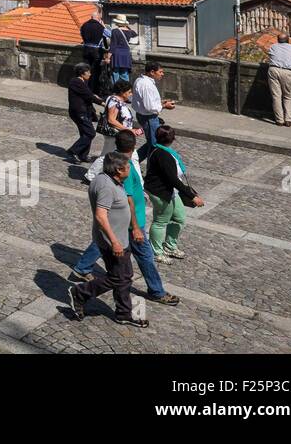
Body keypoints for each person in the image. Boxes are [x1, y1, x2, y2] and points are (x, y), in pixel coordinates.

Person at [69, 130, 180, 306]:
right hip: (132, 225)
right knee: (141, 261)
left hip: (126, 224)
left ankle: (84, 268)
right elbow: (127, 200)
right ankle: (156, 291)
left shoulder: (121, 164)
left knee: (119, 263)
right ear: (134, 146)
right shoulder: (123, 169)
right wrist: (135, 227)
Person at [67, 151, 149, 328]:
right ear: (119, 170)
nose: (130, 170)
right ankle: (80, 292)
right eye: (128, 167)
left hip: (119, 238)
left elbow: (125, 204)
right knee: (119, 277)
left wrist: (134, 227)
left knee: (123, 276)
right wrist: (115, 241)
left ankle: (123, 313)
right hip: (114, 241)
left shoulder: (109, 179)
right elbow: (101, 216)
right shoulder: (106, 187)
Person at [145, 124, 205, 260]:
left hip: (170, 191)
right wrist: (192, 196)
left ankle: (170, 246)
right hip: (161, 192)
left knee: (179, 218)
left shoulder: (162, 151)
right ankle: (157, 252)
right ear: (172, 139)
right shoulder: (163, 155)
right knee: (160, 221)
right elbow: (173, 180)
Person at [131, 61, 175, 161]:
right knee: (155, 145)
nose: (162, 74)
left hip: (144, 115)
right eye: (160, 72)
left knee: (152, 142)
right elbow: (149, 107)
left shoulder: (140, 80)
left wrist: (160, 102)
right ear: (152, 72)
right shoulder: (146, 85)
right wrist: (164, 106)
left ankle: (134, 161)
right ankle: (150, 170)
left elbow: (146, 101)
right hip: (149, 117)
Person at [65, 61, 103, 163]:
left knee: (85, 133)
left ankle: (83, 155)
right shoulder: (76, 82)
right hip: (79, 112)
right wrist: (102, 103)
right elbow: (88, 95)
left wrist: (95, 96)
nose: (90, 74)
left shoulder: (83, 81)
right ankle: (73, 151)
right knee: (90, 133)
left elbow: (88, 94)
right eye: (88, 72)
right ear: (82, 73)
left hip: (86, 111)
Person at [266, 33, 291, 127]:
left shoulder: (273, 47)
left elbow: (270, 56)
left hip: (274, 70)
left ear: (277, 40)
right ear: (288, 40)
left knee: (276, 96)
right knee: (288, 96)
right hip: (288, 72)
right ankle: (288, 119)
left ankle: (279, 120)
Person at [80, 8, 108, 93]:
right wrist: (103, 26)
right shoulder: (100, 27)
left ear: (91, 17)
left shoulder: (84, 25)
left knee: (85, 70)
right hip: (96, 51)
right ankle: (93, 89)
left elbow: (81, 33)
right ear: (98, 17)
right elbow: (110, 35)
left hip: (86, 49)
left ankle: (85, 87)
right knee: (95, 71)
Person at [105, 16, 137, 87]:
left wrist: (108, 58)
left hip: (117, 54)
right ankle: (126, 90)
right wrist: (127, 26)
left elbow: (113, 46)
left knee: (115, 74)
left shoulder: (115, 31)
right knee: (124, 74)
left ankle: (116, 90)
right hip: (126, 54)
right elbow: (135, 34)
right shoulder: (130, 32)